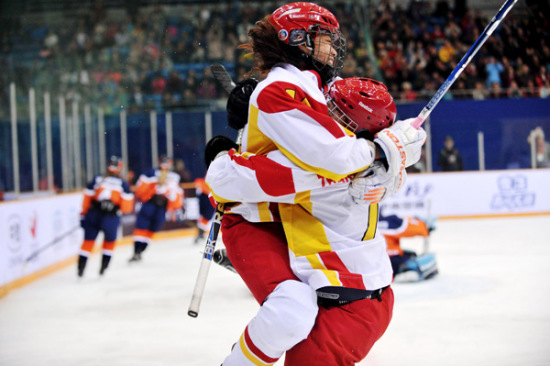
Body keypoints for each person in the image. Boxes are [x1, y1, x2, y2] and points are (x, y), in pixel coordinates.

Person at [207, 21, 425, 358]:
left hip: (348, 305)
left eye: (334, 110)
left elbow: (225, 180)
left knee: (289, 314)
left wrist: (229, 150)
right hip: (357, 294)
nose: (324, 109)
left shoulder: (326, 166)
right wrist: (391, 148)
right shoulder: (362, 152)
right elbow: (384, 148)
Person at [77, 156, 134, 277]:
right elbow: (127, 207)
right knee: (109, 242)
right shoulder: (123, 184)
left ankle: (81, 269)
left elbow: (87, 198)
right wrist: (114, 206)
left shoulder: (97, 179)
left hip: (94, 214)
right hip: (110, 217)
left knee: (88, 241)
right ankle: (103, 268)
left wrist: (83, 214)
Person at [128, 156, 184, 262]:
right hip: (151, 205)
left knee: (149, 229)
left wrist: (177, 208)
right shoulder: (152, 173)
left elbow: (176, 194)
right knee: (144, 228)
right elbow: (140, 190)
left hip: (158, 207)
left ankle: (138, 252)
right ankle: (138, 252)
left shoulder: (170, 176)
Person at [379, 212, 438, 281]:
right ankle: (409, 271)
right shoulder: (390, 222)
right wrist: (424, 225)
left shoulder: (364, 224)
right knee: (428, 258)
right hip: (392, 261)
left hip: (371, 263)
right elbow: (410, 228)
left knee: (409, 253)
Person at [193, 176, 214, 244]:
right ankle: (201, 233)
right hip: (207, 197)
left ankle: (201, 233)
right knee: (206, 216)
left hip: (208, 196)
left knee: (206, 217)